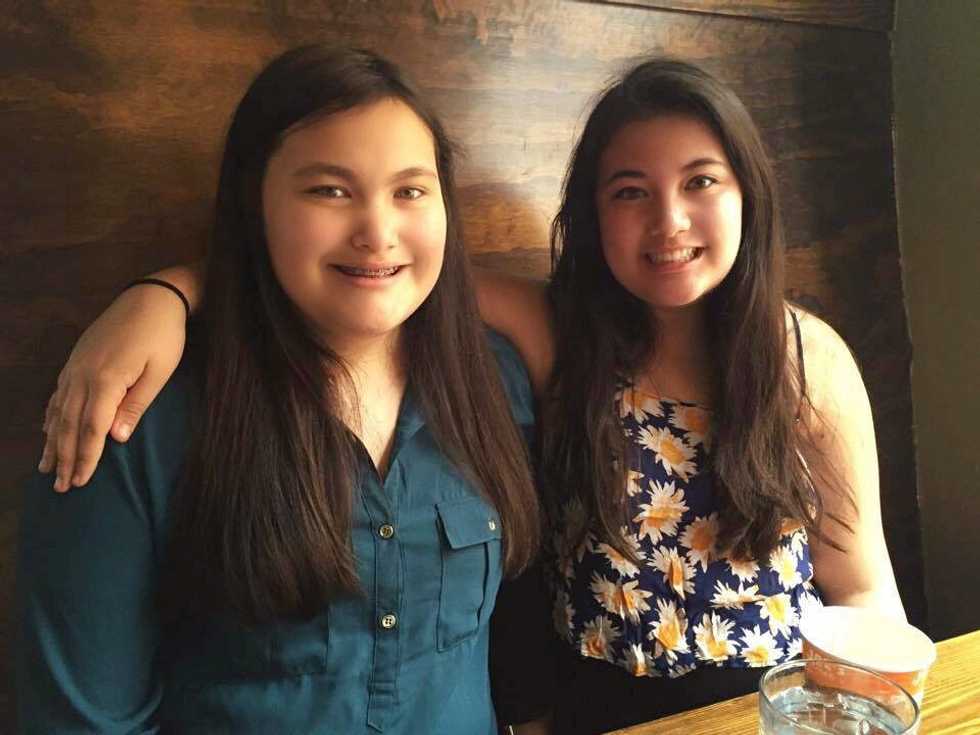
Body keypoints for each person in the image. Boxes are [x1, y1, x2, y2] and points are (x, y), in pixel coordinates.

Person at [35, 58, 905, 733]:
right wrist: (170, 291)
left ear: (750, 191)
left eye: (702, 180)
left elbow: (865, 588)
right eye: (629, 192)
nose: (669, 221)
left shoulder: (805, 363)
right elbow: (386, 275)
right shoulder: (560, 344)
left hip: (776, 709)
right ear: (593, 215)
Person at [17, 44, 552, 734]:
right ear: (255, 205)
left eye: (410, 191)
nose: (378, 233)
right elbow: (82, 719)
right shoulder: (136, 411)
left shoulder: (495, 382)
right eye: (329, 190)